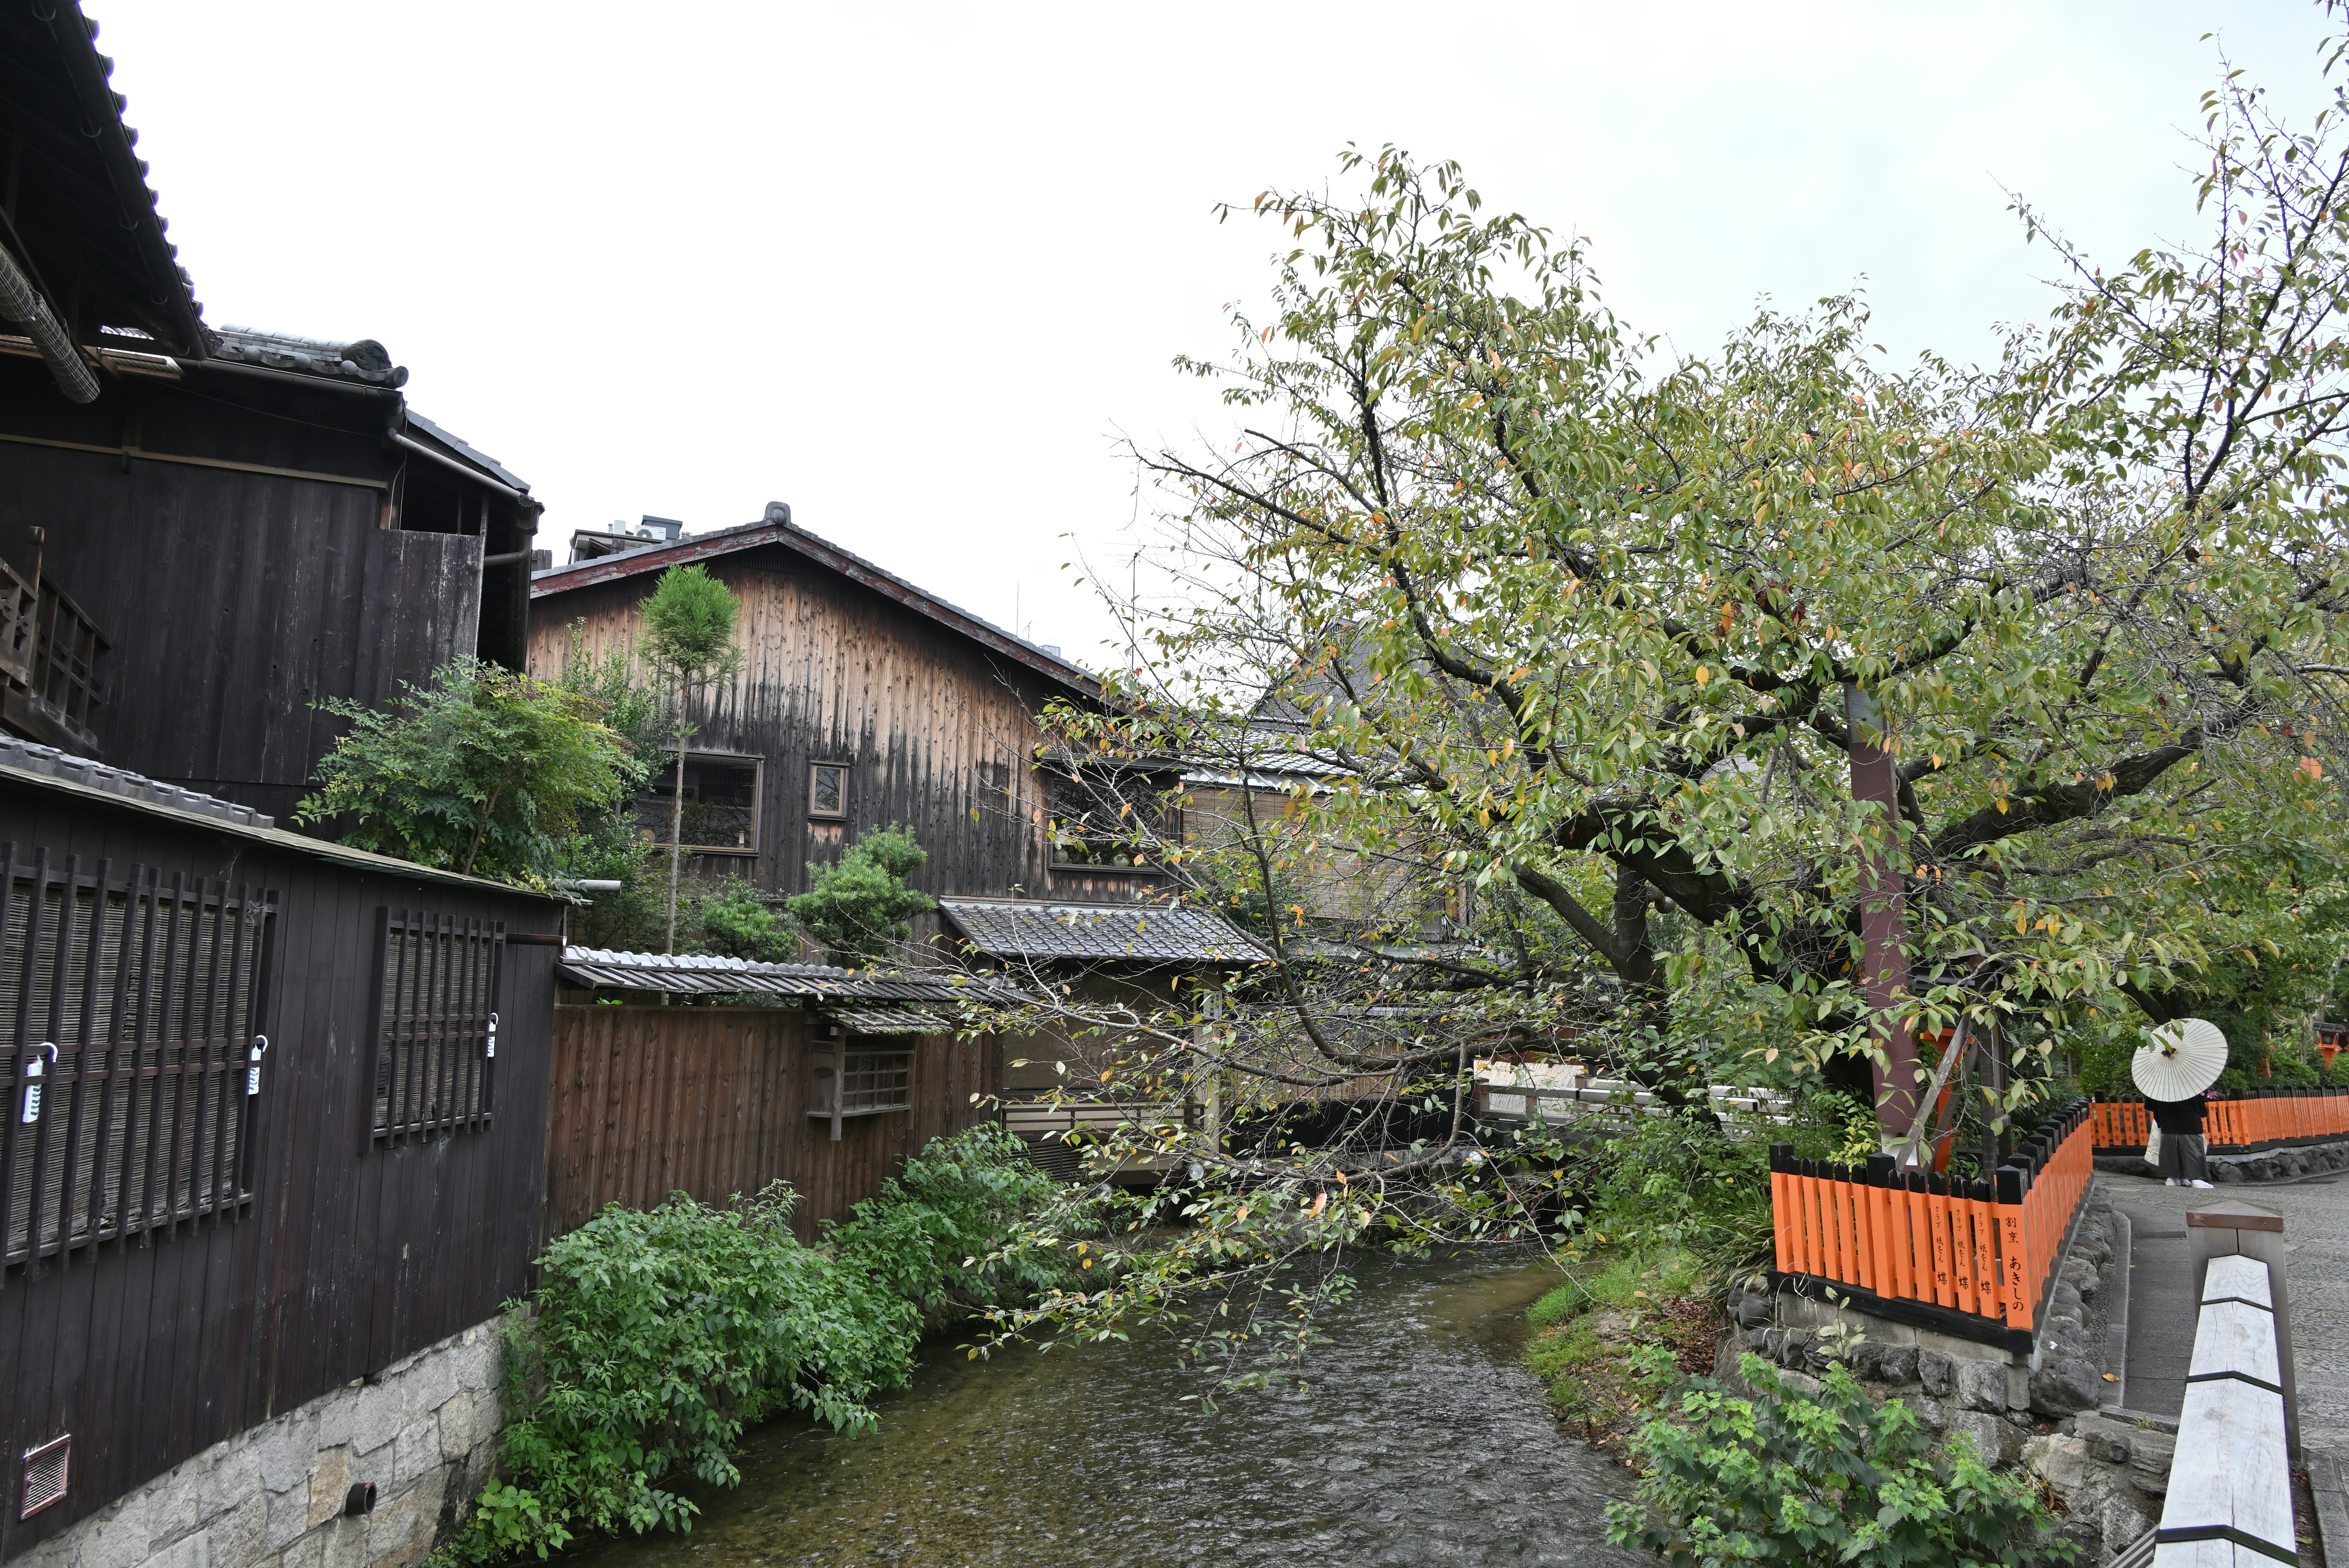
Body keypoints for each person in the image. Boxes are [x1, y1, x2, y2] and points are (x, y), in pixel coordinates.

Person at [2149, 1090, 2214, 1188]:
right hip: (2188, 1119)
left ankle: (2173, 1178)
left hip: (2167, 1119)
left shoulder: (2160, 1085)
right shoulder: (2187, 1084)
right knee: (2192, 1148)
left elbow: (2152, 1103)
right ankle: (2196, 1178)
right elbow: (2199, 1106)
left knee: (2170, 1147)